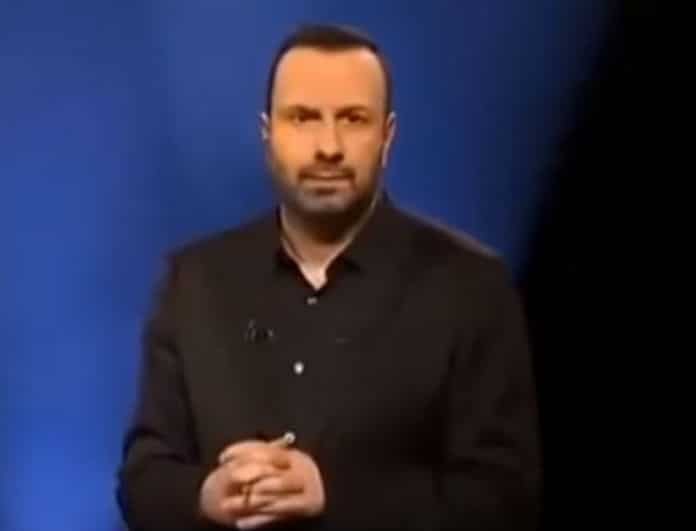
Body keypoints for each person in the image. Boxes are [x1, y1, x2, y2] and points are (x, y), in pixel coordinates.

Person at [116, 23, 542, 531]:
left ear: (387, 136)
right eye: (303, 118)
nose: (329, 146)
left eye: (353, 119)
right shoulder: (192, 282)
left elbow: (504, 498)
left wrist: (334, 495)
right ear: (268, 132)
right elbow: (143, 479)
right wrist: (204, 496)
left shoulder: (470, 287)